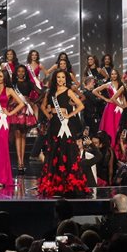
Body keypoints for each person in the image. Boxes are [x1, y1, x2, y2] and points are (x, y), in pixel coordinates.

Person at [38, 69, 87, 197]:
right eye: (58, 77)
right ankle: (55, 183)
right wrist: (49, 115)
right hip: (54, 123)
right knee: (54, 150)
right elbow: (42, 106)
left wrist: (70, 115)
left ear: (66, 79)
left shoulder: (69, 91)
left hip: (65, 124)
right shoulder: (50, 92)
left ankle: (68, 183)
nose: (60, 80)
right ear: (55, 79)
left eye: (62, 77)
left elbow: (81, 105)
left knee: (67, 150)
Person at [0, 69, 25, 188]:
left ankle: (2, 178)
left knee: (3, 147)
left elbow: (22, 103)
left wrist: (10, 112)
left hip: (3, 120)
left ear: (5, 78)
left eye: (1, 76)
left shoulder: (9, 90)